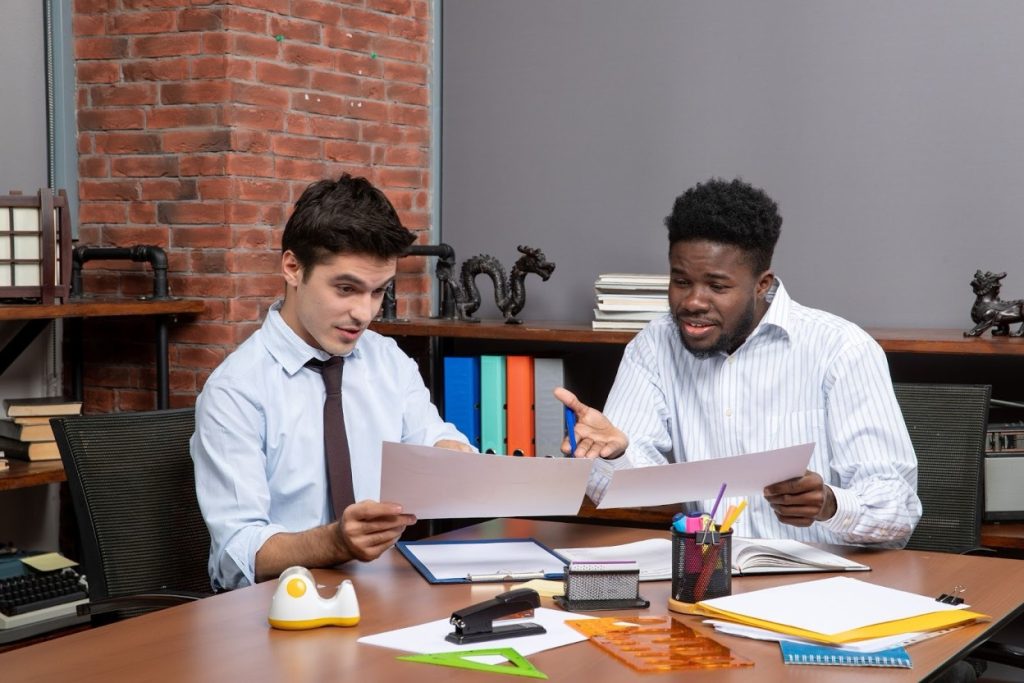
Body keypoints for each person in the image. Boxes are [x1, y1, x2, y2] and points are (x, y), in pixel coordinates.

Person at [558, 177, 922, 547]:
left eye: (717, 287)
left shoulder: (842, 349)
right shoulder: (654, 346)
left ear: (762, 284)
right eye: (681, 281)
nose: (693, 301)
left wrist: (830, 504)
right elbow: (616, 491)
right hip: (708, 570)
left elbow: (898, 509)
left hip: (825, 573)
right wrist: (612, 455)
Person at [191, 173, 473, 590]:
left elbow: (430, 437)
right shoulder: (235, 391)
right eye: (346, 288)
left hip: (384, 594)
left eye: (378, 292)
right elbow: (238, 555)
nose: (364, 313)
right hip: (278, 607)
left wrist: (450, 453)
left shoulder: (388, 360)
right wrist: (335, 542)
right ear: (293, 268)